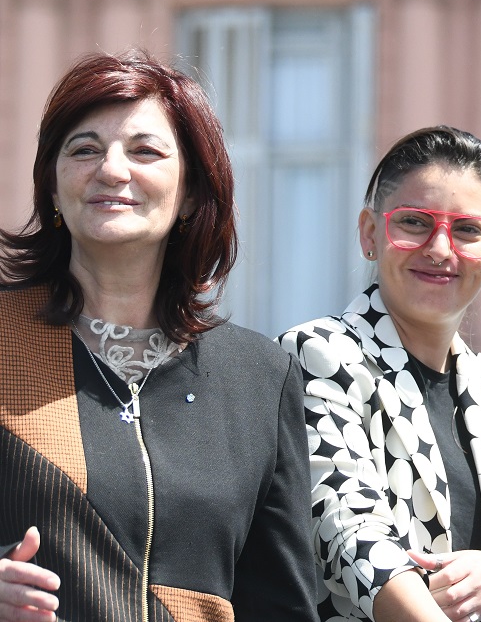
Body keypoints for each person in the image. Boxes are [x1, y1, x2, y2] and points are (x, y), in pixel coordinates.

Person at [0, 51, 319, 622]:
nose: (112, 170)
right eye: (84, 149)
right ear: (51, 186)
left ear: (192, 193)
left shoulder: (259, 377)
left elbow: (281, 605)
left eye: (144, 151)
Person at [280, 127, 481, 622]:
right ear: (371, 234)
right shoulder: (317, 354)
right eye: (414, 222)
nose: (440, 248)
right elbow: (350, 535)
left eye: (467, 230)